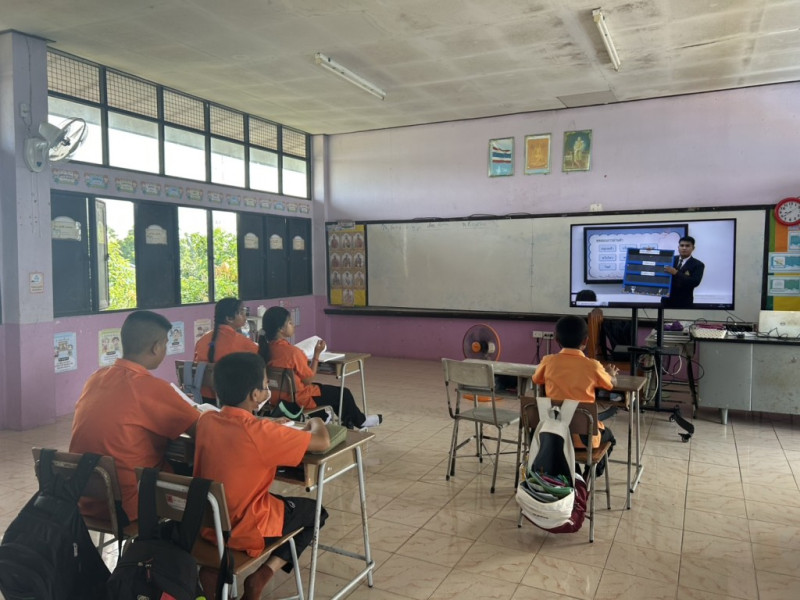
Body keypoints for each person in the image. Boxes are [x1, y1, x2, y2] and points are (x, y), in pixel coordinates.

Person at [193, 352, 331, 600]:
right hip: (247, 529)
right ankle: (262, 576)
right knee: (316, 512)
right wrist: (317, 421)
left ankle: (213, 574)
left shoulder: (206, 421)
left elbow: (238, 430)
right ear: (255, 395)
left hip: (208, 523)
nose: (267, 390)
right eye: (266, 385)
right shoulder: (261, 432)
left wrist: (267, 426)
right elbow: (321, 442)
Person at [69, 310, 200, 520]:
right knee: (196, 470)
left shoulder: (95, 378)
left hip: (86, 499)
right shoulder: (153, 388)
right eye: (165, 344)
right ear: (156, 347)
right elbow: (202, 431)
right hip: (131, 504)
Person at [259, 306, 382, 429]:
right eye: (290, 323)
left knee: (322, 389)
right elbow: (309, 379)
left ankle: (325, 417)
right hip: (298, 400)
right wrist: (316, 354)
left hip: (276, 399)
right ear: (281, 329)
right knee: (343, 393)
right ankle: (360, 421)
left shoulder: (263, 350)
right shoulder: (293, 352)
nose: (293, 325)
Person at [532, 315, 617, 476]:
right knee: (610, 438)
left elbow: (536, 379)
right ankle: (587, 477)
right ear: (586, 341)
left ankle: (573, 472)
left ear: (556, 339)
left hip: (553, 436)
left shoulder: (548, 361)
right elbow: (610, 385)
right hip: (585, 440)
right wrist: (611, 374)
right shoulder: (593, 366)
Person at [194, 297, 258, 402]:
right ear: (229, 318)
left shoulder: (202, 340)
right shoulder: (241, 341)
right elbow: (260, 360)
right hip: (228, 398)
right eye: (242, 312)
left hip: (203, 397)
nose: (245, 316)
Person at [662, 236, 705, 308]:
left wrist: (676, 273)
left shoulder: (698, 264)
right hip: (666, 301)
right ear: (678, 247)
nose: (684, 248)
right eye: (682, 245)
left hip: (684, 303)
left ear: (693, 248)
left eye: (687, 246)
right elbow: (656, 266)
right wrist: (649, 253)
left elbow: (695, 282)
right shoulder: (670, 259)